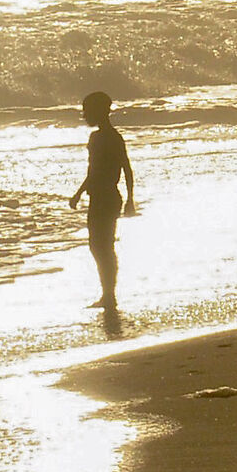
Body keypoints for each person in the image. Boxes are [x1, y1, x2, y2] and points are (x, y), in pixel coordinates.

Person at [67, 90, 135, 312]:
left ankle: (109, 296)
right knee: (99, 246)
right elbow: (93, 171)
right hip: (99, 197)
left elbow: (126, 168)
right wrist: (79, 193)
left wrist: (131, 199)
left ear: (99, 111)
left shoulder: (111, 138)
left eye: (87, 111)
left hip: (107, 198)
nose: (84, 116)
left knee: (102, 247)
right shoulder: (96, 137)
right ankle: (107, 294)